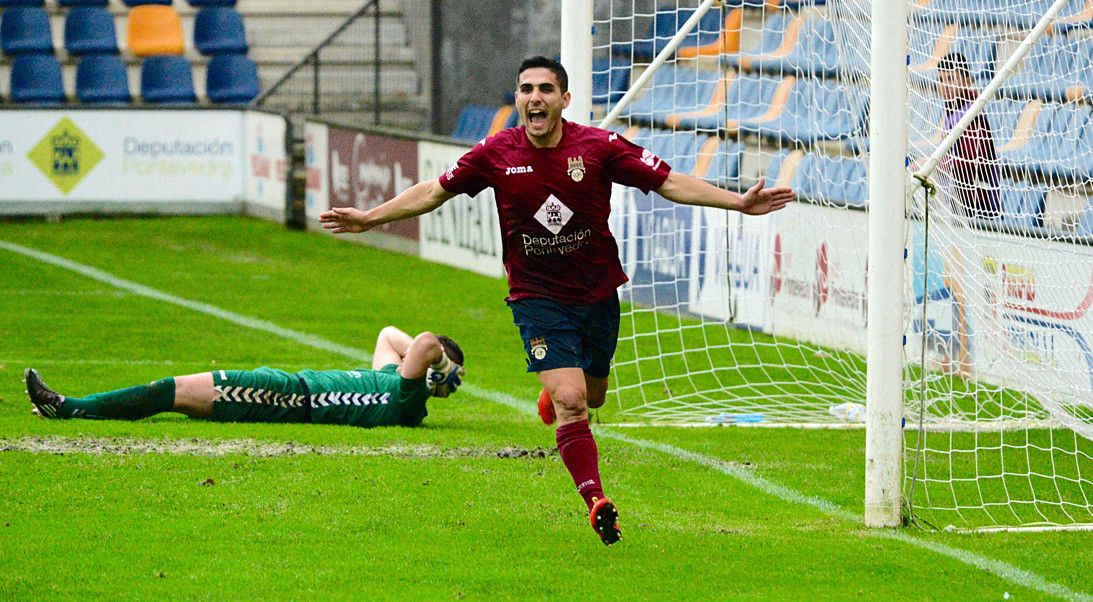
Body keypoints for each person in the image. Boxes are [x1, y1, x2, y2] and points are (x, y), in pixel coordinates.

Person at [319, 56, 795, 545]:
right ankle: (596, 500)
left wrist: (737, 201)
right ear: (519, 99)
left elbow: (668, 181)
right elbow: (434, 191)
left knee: (591, 396)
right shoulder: (495, 152)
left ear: (564, 100)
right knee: (573, 405)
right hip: (536, 297)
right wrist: (371, 218)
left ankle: (555, 390)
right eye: (526, 89)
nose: (535, 97)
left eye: (546, 89)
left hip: (596, 295)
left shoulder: (599, 147)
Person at [25, 326, 465, 429]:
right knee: (170, 395)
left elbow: (425, 342)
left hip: (289, 399)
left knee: (168, 391)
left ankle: (68, 406)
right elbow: (390, 335)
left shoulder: (408, 404)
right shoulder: (393, 379)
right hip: (284, 389)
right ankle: (67, 406)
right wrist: (438, 371)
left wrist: (439, 369)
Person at [936, 51, 1000, 221]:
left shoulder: (972, 116)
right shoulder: (954, 112)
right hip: (959, 201)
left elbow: (970, 162)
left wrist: (937, 163)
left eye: (950, 79)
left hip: (977, 207)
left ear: (967, 81)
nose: (945, 85)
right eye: (941, 79)